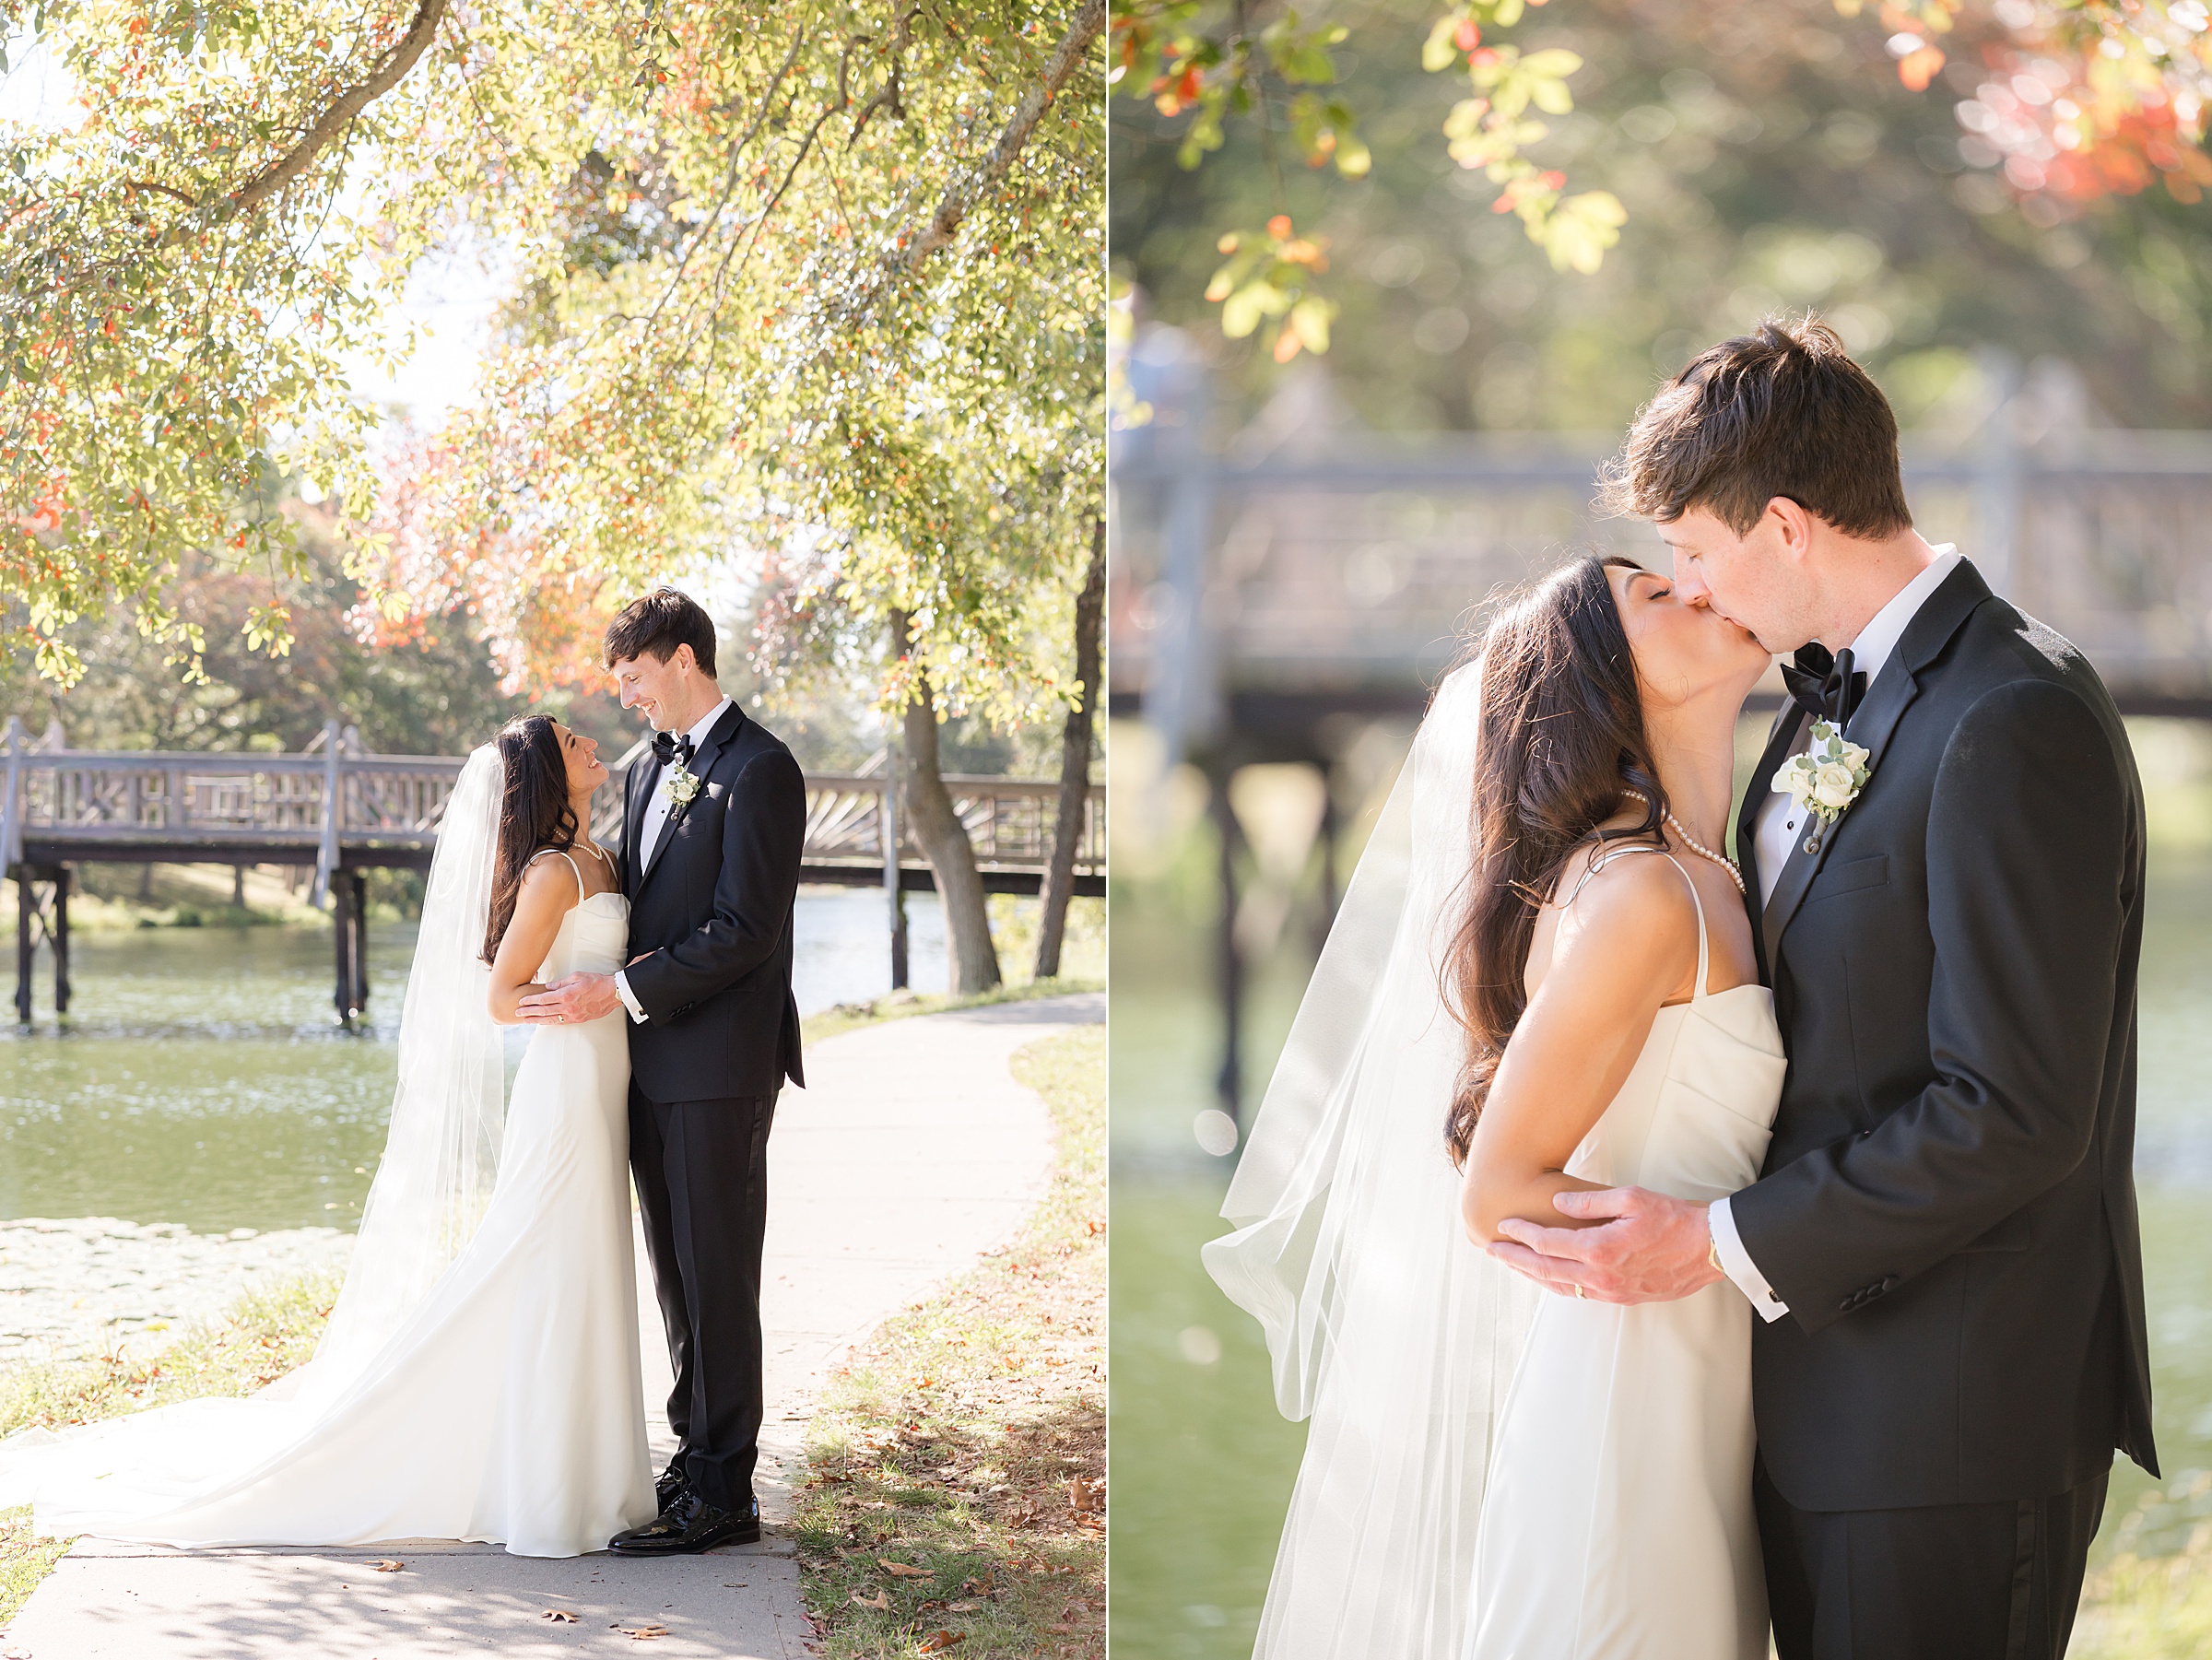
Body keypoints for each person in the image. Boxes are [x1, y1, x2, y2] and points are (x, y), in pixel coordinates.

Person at [1488, 318, 2155, 1659]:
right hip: (1807, 1411)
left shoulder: (2009, 712)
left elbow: (2016, 1110)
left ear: (1785, 528)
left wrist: (1715, 1240)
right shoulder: (1815, 708)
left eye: (1699, 549)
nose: (1694, 582)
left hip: (1948, 1421)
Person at [0, 715, 658, 1558]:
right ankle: (544, 1485)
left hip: (608, 1082)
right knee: (543, 1263)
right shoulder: (551, 873)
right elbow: (499, 997)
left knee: (590, 1260)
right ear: (543, 772)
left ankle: (596, 1476)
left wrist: (598, 991)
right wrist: (571, 1001)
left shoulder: (599, 856)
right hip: (567, 1086)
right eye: (571, 740)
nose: (590, 741)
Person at [518, 587, 806, 1556]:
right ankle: (695, 1457)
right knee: (676, 1273)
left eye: (637, 679)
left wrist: (622, 992)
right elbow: (628, 903)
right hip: (642, 1065)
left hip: (721, 1063)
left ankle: (727, 1492)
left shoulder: (762, 769)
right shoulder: (647, 769)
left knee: (719, 1271)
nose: (630, 700)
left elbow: (744, 931)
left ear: (684, 659)